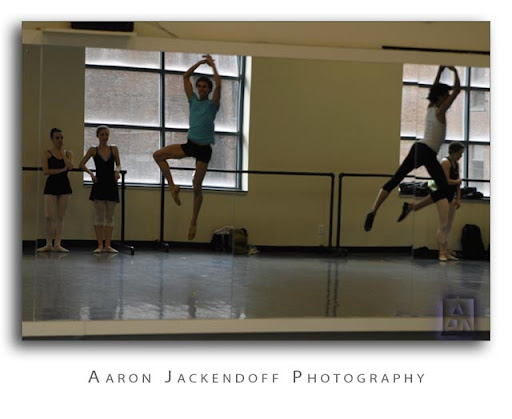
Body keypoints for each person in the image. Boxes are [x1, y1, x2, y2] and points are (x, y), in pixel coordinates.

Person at [364, 66, 461, 260]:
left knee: (396, 178)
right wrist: (455, 71)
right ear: (440, 98)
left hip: (418, 149)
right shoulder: (440, 111)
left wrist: (440, 70)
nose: (447, 99)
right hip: (428, 152)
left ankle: (373, 211)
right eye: (445, 96)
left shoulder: (430, 108)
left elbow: (434, 88)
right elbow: (457, 90)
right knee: (444, 190)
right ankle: (411, 207)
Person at [153, 54, 221, 240]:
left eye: (205, 86)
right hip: (190, 145)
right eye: (200, 86)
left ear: (209, 90)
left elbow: (219, 85)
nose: (201, 89)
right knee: (158, 155)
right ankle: (173, 186)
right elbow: (185, 76)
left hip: (204, 150)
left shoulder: (213, 105)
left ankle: (193, 221)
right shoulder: (192, 100)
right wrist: (199, 63)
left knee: (196, 187)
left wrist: (212, 66)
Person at [79, 125, 121, 253]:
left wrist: (117, 172)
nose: (104, 137)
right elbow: (81, 164)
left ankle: (108, 245)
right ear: (97, 136)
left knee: (110, 216)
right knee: (99, 215)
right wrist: (91, 174)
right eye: (102, 134)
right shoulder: (93, 150)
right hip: (99, 183)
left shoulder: (114, 149)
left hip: (111, 183)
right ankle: (100, 245)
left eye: (106, 134)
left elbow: (118, 164)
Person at [37, 128, 74, 253]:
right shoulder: (47, 153)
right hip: (51, 185)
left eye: (61, 138)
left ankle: (57, 244)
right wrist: (61, 170)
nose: (60, 140)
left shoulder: (68, 153)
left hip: (64, 185)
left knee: (60, 216)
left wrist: (62, 153)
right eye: (57, 138)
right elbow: (46, 171)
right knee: (49, 216)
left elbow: (70, 167)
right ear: (52, 139)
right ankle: (48, 244)